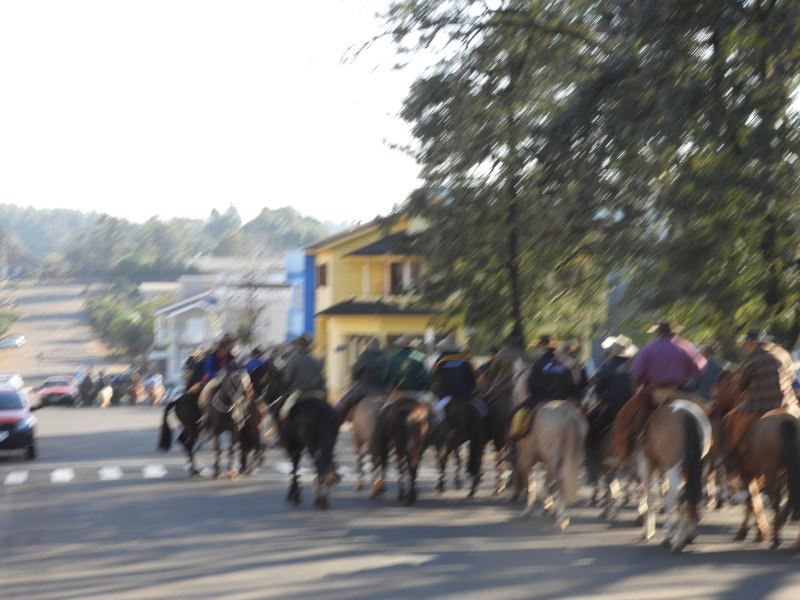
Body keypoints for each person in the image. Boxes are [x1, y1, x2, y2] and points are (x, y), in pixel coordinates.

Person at [610, 318, 706, 462]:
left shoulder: (649, 348)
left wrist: (643, 381)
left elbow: (637, 375)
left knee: (623, 417)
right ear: (674, 332)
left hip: (655, 392)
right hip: (683, 392)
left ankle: (622, 455)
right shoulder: (686, 346)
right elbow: (700, 370)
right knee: (712, 412)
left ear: (659, 332)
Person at [726, 331, 798, 455]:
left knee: (732, 422)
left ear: (751, 343)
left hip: (758, 407)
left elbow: (737, 388)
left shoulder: (749, 360)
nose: (745, 347)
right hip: (785, 405)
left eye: (745, 344)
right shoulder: (781, 356)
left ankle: (732, 454)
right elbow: (791, 378)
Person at [586, 335, 637, 444]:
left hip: (613, 407)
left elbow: (598, 389)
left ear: (613, 353)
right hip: (634, 407)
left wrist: (603, 396)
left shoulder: (607, 368)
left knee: (588, 420)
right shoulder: (633, 367)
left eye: (608, 353)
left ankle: (589, 451)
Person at [335, 337, 388, 419]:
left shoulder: (363, 357)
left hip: (365, 389)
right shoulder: (384, 358)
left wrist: (355, 379)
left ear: (368, 346)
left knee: (343, 402)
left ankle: (336, 418)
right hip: (383, 390)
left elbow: (355, 373)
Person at [479, 333, 533, 406]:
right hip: (520, 393)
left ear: (508, 343)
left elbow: (492, 373)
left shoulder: (501, 354)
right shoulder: (527, 356)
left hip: (499, 389)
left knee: (481, 405)